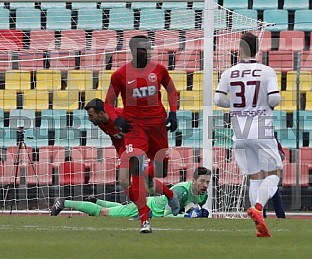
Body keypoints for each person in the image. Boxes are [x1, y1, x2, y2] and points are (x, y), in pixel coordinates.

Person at [104, 35, 180, 233]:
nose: (147, 52)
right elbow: (108, 103)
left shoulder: (159, 70)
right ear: (134, 51)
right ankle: (144, 218)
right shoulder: (120, 74)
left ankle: (170, 194)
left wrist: (173, 112)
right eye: (143, 49)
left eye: (149, 48)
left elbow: (172, 90)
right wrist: (117, 119)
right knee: (136, 166)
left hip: (157, 125)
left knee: (159, 170)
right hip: (135, 127)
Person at [214, 32, 282, 237]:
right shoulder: (266, 71)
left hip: (239, 131)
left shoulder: (229, 72)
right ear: (257, 49)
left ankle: (259, 226)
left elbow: (218, 100)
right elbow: (275, 99)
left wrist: (236, 105)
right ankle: (259, 207)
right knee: (274, 173)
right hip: (261, 127)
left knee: (254, 177)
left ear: (240, 49)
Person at [82, 98, 179, 218]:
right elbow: (115, 137)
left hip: (141, 141)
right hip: (125, 147)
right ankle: (144, 209)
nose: (89, 119)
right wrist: (122, 156)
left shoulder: (121, 116)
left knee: (144, 177)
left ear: (101, 113)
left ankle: (168, 195)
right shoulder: (101, 123)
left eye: (91, 115)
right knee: (123, 180)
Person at [50, 167, 211, 221]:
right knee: (104, 214)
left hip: (151, 204)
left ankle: (96, 200)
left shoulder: (203, 195)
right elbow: (169, 215)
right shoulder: (180, 191)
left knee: (121, 207)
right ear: (194, 180)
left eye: (208, 182)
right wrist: (187, 217)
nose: (205, 185)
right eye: (202, 181)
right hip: (145, 207)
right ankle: (64, 202)